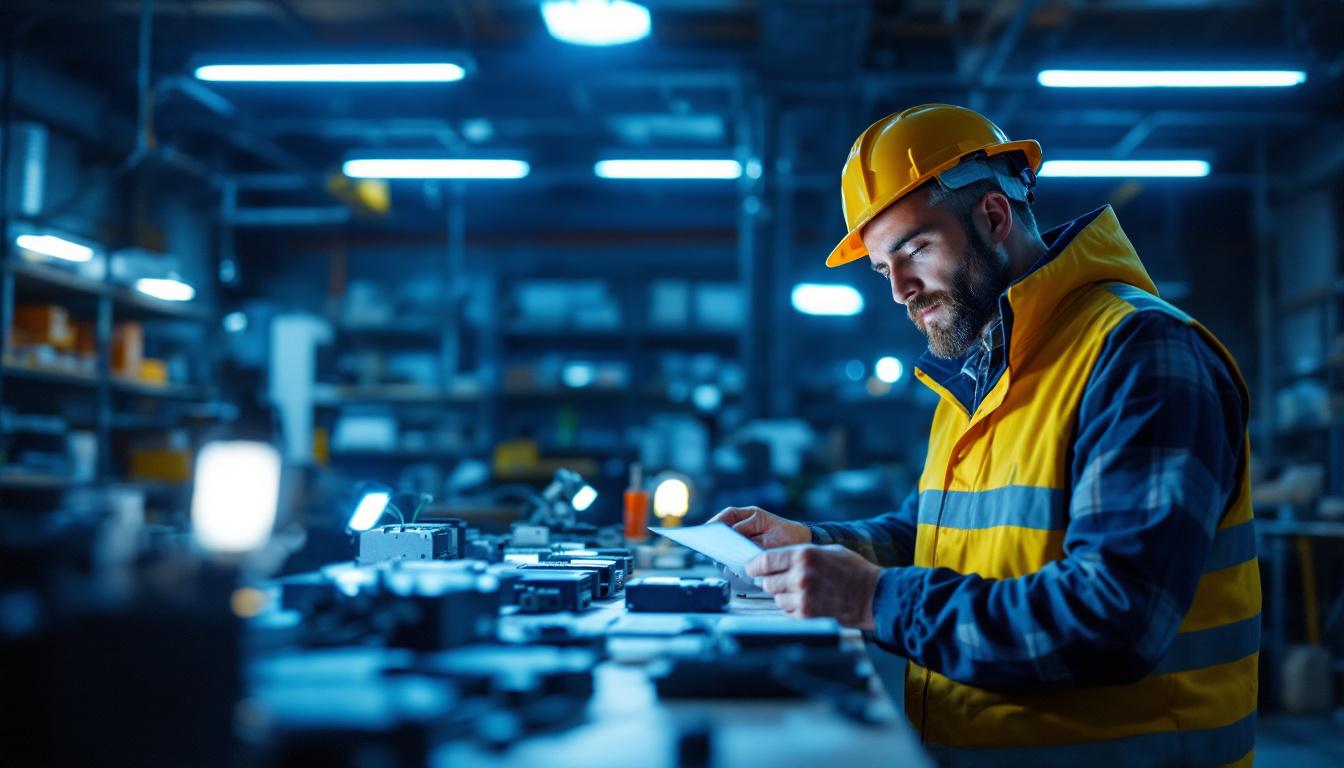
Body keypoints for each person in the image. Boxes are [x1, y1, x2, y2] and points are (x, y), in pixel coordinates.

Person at [709, 104, 1259, 766]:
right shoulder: (979, 372)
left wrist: (869, 598)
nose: (901, 292)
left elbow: (1117, 617)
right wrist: (814, 544)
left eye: (913, 250)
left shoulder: (1140, 354)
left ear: (994, 217)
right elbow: (937, 537)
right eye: (884, 270)